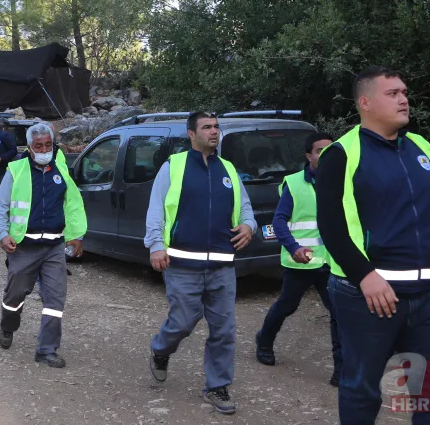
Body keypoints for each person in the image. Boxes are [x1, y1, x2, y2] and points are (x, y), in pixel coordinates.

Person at [316, 66, 430, 424]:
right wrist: (365, 275)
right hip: (369, 293)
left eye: (404, 92)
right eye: (393, 93)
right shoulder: (341, 154)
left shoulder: (420, 146)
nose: (404, 98)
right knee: (362, 387)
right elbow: (331, 226)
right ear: (365, 103)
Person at [145, 111, 256, 415]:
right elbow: (157, 210)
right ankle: (160, 349)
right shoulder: (173, 166)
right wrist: (156, 245)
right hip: (181, 263)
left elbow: (246, 209)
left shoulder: (229, 170)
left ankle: (217, 386)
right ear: (191, 134)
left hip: (222, 265)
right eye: (207, 127)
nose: (214, 131)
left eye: (217, 127)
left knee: (224, 330)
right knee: (183, 322)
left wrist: (249, 226)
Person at [0, 123, 87, 368]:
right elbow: (1, 207)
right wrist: (3, 235)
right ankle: (8, 325)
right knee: (15, 296)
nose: (45, 149)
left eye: (48, 144)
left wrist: (76, 236)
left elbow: (73, 205)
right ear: (29, 148)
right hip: (24, 247)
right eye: (39, 146)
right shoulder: (16, 170)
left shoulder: (61, 169)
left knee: (55, 300)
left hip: (54, 247)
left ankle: (46, 349)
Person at [255, 132, 342, 387]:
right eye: (319, 151)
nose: (324, 156)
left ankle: (341, 370)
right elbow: (279, 221)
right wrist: (293, 247)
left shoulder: (342, 181)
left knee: (337, 312)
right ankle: (264, 341)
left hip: (331, 262)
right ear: (308, 156)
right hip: (300, 262)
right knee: (287, 306)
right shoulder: (294, 184)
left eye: (329, 150)